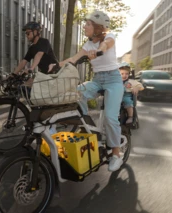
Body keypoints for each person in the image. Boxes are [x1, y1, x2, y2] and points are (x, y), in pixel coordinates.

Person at [48, 10, 124, 172]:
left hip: (113, 80)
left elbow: (106, 45)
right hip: (97, 80)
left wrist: (98, 51)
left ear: (98, 27)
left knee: (111, 118)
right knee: (75, 93)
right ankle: (85, 123)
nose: (84, 26)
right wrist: (56, 65)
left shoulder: (110, 37)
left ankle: (116, 154)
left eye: (88, 24)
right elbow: (73, 59)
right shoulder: (87, 45)